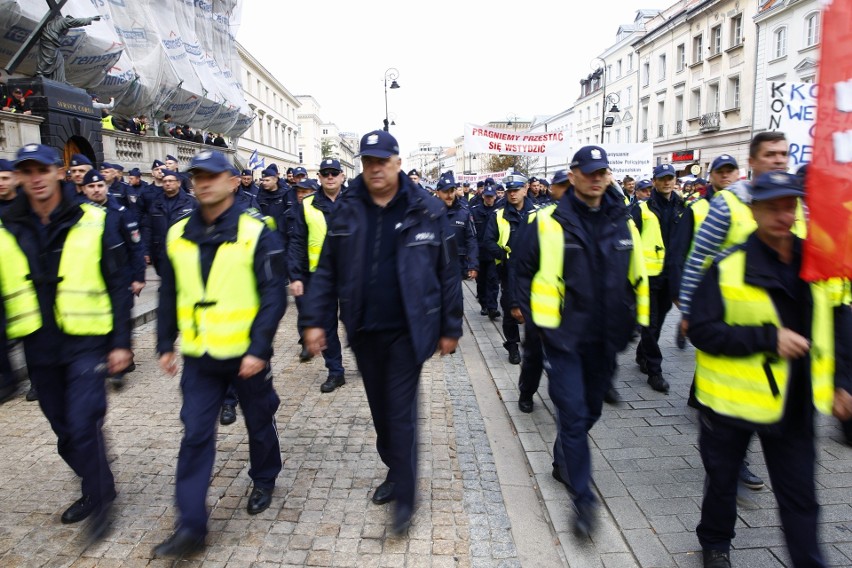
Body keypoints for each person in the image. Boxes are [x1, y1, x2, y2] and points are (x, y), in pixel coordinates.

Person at [302, 130, 462, 535]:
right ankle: (396, 468)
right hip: (364, 329)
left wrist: (450, 326)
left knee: (401, 412)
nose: (374, 169)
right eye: (368, 162)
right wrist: (315, 321)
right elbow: (326, 272)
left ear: (397, 162)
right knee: (382, 414)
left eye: (381, 161)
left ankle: (405, 499)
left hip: (410, 330)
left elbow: (448, 272)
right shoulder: (348, 210)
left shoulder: (427, 209)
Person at [688, 172, 852, 568]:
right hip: (731, 402)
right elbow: (703, 330)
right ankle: (714, 544)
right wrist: (767, 338)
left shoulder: (817, 261)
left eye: (790, 205)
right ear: (754, 210)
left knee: (800, 497)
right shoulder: (728, 267)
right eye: (773, 206)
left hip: (794, 402)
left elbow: (841, 321)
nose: (783, 214)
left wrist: (843, 382)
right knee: (723, 483)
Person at [153, 150, 287, 558]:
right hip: (200, 354)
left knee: (259, 420)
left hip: (246, 354)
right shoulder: (177, 233)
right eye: (198, 176)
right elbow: (170, 291)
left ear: (232, 181)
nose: (203, 182)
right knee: (195, 434)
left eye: (213, 175)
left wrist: (259, 348)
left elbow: (273, 294)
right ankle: (191, 526)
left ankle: (264, 478)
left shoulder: (256, 230)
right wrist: (164, 342)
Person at [514, 146, 649, 538]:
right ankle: (583, 499)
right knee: (572, 415)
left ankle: (562, 459)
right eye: (588, 172)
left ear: (608, 176)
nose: (596, 178)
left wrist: (639, 323)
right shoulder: (547, 221)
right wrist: (535, 319)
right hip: (564, 339)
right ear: (572, 176)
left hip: (606, 339)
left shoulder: (624, 220)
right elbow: (522, 270)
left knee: (590, 411)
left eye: (602, 172)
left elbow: (637, 273)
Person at [0, 143, 132, 538]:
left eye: (42, 168)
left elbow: (119, 284)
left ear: (59, 171)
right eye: (27, 171)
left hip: (86, 340)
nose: (36, 177)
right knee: (65, 434)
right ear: (21, 177)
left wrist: (121, 342)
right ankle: (100, 483)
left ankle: (99, 503)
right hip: (38, 345)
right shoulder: (7, 228)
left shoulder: (94, 219)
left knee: (82, 421)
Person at [513, 169, 573, 413]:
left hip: (575, 309)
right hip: (542, 308)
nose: (567, 191)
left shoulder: (590, 220)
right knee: (534, 357)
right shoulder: (540, 219)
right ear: (553, 189)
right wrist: (518, 302)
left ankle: (566, 399)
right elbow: (522, 265)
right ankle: (527, 392)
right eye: (562, 186)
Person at [289, 158, 346, 393]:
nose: (330, 177)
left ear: (342, 176)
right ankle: (335, 372)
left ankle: (368, 363)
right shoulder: (308, 204)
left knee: (360, 323)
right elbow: (298, 242)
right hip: (319, 276)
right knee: (327, 326)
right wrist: (296, 275)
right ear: (320, 178)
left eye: (334, 173)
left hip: (352, 275)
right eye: (326, 173)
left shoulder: (357, 202)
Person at [631, 163, 688, 393]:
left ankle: (642, 354)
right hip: (648, 277)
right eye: (662, 178)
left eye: (670, 178)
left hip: (671, 277)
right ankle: (655, 371)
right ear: (654, 181)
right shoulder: (642, 208)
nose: (667, 182)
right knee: (651, 323)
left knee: (658, 322)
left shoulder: (683, 207)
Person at [483, 173, 536, 364]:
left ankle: (534, 346)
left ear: (525, 189)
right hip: (509, 270)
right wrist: (503, 255)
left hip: (534, 271)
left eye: (516, 190)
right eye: (509, 191)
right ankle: (513, 346)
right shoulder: (498, 215)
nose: (513, 194)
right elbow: (488, 241)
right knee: (509, 308)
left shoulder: (538, 213)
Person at [142, 169, 196, 275]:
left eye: (171, 181)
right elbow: (147, 228)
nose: (167, 183)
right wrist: (146, 251)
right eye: (165, 181)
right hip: (161, 254)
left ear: (178, 183)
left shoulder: (190, 203)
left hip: (184, 253)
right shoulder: (156, 204)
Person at [435, 171, 478, 281]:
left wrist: (472, 264)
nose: (449, 195)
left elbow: (471, 239)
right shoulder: (430, 213)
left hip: (457, 268)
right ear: (438, 192)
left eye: (452, 191)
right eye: (445, 192)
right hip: (435, 267)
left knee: (456, 297)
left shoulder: (464, 213)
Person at [471, 185, 500, 318]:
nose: (489, 199)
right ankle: (484, 304)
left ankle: (492, 307)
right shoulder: (475, 211)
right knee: (481, 282)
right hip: (480, 252)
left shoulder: (499, 211)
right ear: (483, 196)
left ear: (495, 196)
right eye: (487, 196)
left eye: (491, 196)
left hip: (493, 252)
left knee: (493, 281)